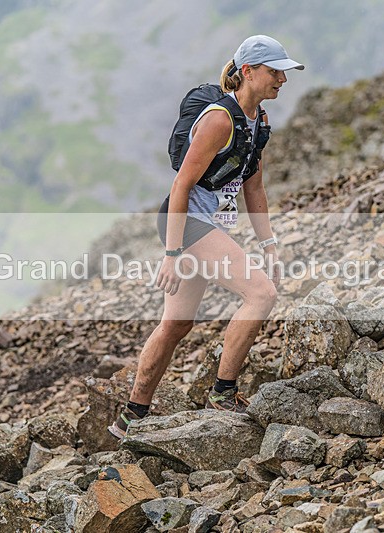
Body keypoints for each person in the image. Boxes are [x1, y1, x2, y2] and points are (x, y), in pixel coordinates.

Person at [108, 35, 304, 439]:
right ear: (248, 71)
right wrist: (172, 253)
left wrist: (269, 245)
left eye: (284, 72)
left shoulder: (259, 121)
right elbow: (181, 185)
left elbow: (254, 187)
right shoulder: (219, 120)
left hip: (203, 226)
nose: (282, 79)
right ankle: (222, 393)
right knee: (261, 294)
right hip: (186, 224)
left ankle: (131, 417)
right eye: (274, 71)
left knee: (176, 324)